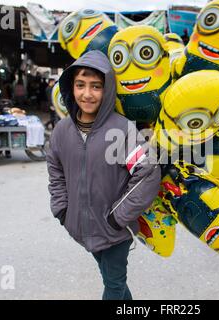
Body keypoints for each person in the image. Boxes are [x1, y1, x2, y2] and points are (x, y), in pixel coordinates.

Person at [47, 50, 161, 299]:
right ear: (71, 87)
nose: (87, 94)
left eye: (95, 86)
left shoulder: (121, 130)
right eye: (80, 85)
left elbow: (148, 173)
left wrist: (117, 218)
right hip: (79, 226)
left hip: (113, 232)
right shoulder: (62, 131)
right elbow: (55, 170)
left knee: (113, 284)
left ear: (106, 89)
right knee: (114, 280)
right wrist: (62, 209)